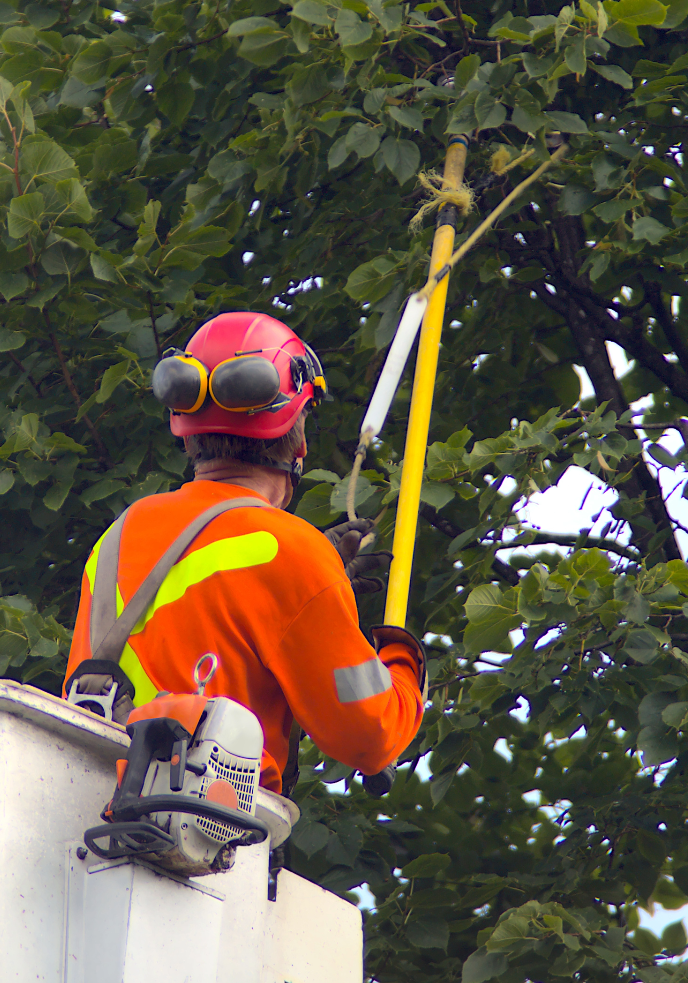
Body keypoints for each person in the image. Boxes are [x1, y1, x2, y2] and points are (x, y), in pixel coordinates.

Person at [63, 311, 425, 794]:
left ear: (187, 431)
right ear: (297, 440)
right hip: (210, 841)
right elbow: (369, 736)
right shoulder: (292, 552)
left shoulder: (119, 535)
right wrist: (401, 661)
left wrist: (312, 582)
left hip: (86, 818)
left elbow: (201, 616)